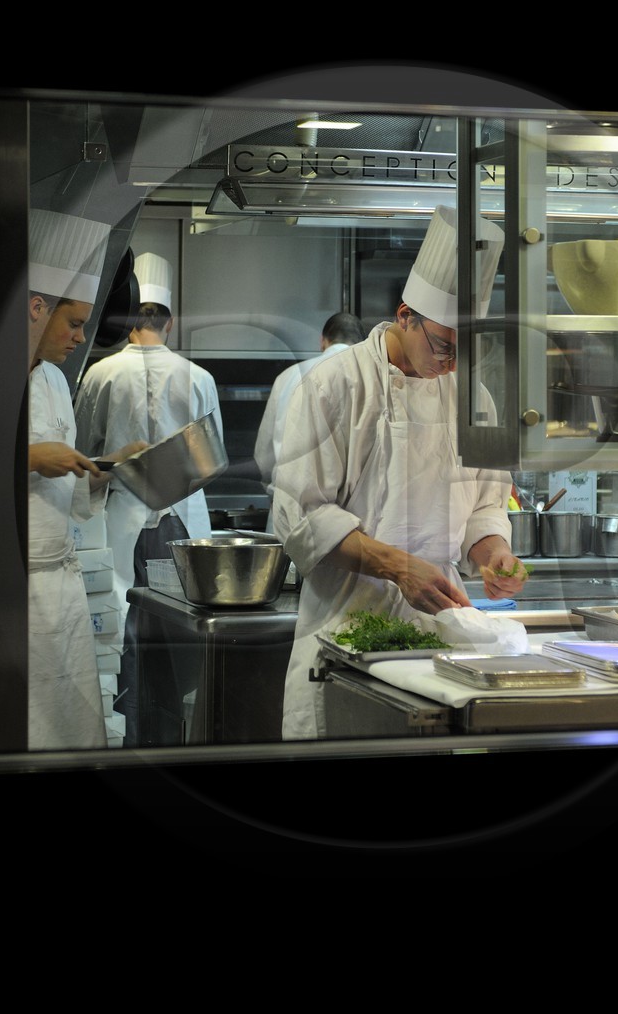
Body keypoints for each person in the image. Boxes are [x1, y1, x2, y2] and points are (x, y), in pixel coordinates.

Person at [270, 205, 527, 740]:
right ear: (405, 315)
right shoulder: (335, 386)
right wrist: (396, 566)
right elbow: (300, 517)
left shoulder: (471, 396)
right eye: (444, 346)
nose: (452, 364)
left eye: (466, 351)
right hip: (343, 631)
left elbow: (484, 503)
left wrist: (493, 555)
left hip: (440, 637)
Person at [25, 209, 145, 750]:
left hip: (62, 591)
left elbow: (72, 494)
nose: (80, 337)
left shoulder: (53, 380)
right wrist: (28, 458)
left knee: (71, 735)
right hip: (13, 590)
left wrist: (109, 468)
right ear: (35, 308)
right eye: (72, 323)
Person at [73, 253, 222, 662]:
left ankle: (129, 720)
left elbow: (84, 455)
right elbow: (213, 456)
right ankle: (174, 718)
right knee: (180, 633)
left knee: (122, 629)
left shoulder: (101, 373)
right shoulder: (199, 377)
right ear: (169, 322)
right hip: (183, 521)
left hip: (121, 517)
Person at [254, 311, 364, 486]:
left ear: (322, 341)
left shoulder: (287, 377)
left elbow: (264, 454)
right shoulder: (368, 380)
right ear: (362, 345)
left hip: (288, 499)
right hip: (345, 507)